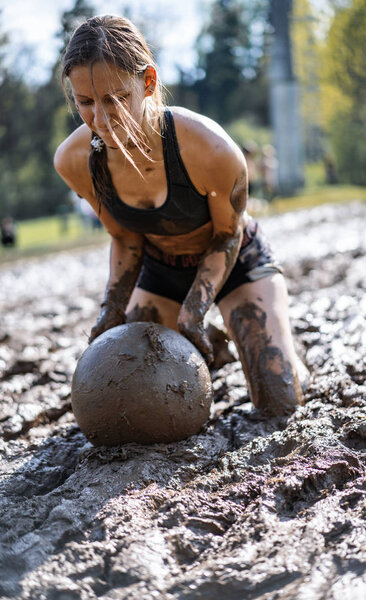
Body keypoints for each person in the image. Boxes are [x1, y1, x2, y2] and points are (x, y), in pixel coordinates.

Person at [54, 15, 308, 417]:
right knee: (133, 392)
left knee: (280, 403)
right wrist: (111, 309)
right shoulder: (74, 160)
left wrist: (195, 308)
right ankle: (217, 345)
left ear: (148, 83)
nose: (100, 120)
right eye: (85, 102)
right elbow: (125, 238)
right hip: (161, 270)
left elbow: (228, 236)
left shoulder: (211, 149)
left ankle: (285, 358)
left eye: (115, 99)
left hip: (235, 260)